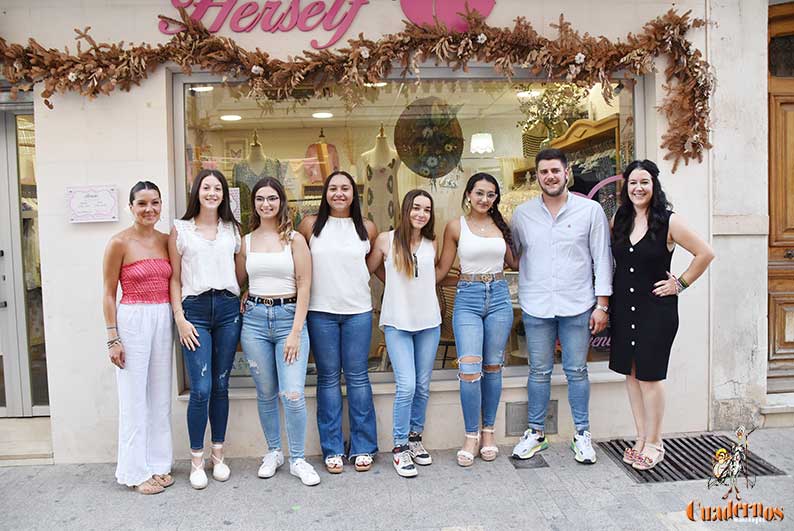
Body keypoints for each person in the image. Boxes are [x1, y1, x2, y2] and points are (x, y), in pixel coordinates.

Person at [609, 159, 714, 470]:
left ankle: (656, 442)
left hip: (655, 310)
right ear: (625, 188)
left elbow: (705, 253)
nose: (638, 188)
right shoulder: (620, 218)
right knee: (630, 374)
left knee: (650, 377)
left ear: (654, 186)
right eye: (632, 183)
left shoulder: (669, 221)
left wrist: (679, 284)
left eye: (644, 182)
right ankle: (641, 437)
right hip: (623, 308)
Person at [510, 148, 612, 464]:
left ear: (566, 172)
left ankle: (582, 435)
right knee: (538, 371)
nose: (550, 176)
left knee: (577, 370)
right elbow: (514, 257)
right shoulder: (522, 215)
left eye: (555, 170)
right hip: (537, 305)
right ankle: (536, 434)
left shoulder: (590, 210)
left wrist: (602, 305)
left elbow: (602, 259)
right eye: (544, 172)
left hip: (578, 304)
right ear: (537, 176)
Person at [237, 177, 320, 486]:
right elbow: (237, 281)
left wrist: (297, 331)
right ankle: (274, 451)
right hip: (255, 321)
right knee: (266, 392)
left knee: (293, 393)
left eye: (272, 198)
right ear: (254, 204)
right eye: (260, 199)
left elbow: (304, 284)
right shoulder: (246, 241)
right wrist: (247, 292)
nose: (266, 204)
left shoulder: (295, 238)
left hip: (289, 318)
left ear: (281, 201)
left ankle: (298, 458)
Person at [297, 170, 379, 474]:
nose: (339, 193)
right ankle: (332, 448)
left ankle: (363, 446)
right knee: (328, 378)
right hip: (320, 311)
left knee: (358, 377)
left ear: (353, 194)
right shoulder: (309, 225)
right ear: (325, 193)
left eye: (345, 188)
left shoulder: (367, 228)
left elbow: (369, 266)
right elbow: (297, 264)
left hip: (358, 310)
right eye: (333, 188)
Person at [168, 169, 243, 489]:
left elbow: (241, 273)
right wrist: (180, 318)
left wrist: (239, 298)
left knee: (221, 385)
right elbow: (173, 278)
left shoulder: (232, 230)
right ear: (196, 191)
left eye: (217, 188)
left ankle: (219, 455)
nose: (212, 192)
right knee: (200, 389)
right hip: (194, 312)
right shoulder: (180, 229)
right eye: (206, 187)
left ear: (224, 194)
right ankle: (196, 459)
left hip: (227, 309)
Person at [436, 173, 518, 467]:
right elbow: (443, 268)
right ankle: (470, 435)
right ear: (468, 194)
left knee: (493, 367)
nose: (485, 199)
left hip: (498, 296)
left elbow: (516, 262)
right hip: (467, 298)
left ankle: (488, 432)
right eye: (480, 193)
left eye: (491, 194)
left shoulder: (501, 226)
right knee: (470, 370)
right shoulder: (455, 226)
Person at [102, 181, 174, 495]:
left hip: (163, 316)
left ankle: (159, 464)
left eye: (155, 203)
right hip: (132, 318)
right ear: (131, 207)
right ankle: (134, 470)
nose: (149, 209)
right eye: (142, 204)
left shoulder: (166, 240)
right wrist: (112, 337)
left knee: (160, 395)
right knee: (133, 398)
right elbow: (107, 293)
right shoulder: (119, 242)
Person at [367, 189, 441, 477]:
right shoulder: (386, 240)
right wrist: (393, 288)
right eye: (416, 208)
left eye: (427, 209)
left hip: (429, 323)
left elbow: (437, 274)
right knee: (407, 385)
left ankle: (414, 439)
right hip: (398, 322)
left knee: (422, 385)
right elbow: (370, 270)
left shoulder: (432, 242)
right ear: (406, 209)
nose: (421, 214)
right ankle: (399, 447)